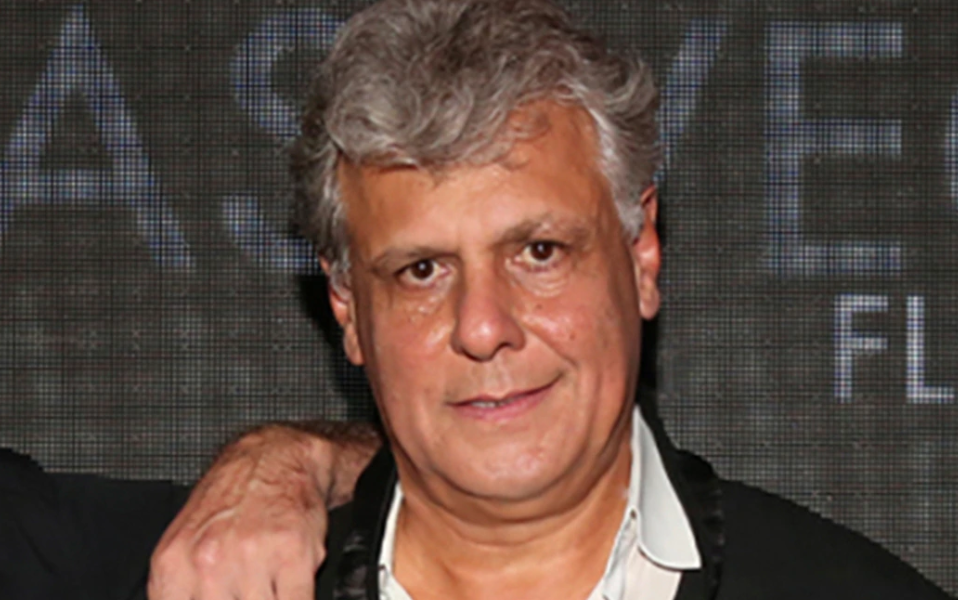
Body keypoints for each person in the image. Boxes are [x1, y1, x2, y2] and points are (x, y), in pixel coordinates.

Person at [0, 1, 952, 599]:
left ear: (641, 254)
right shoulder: (183, 583)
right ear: (346, 307)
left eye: (539, 251)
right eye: (421, 271)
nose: (484, 327)